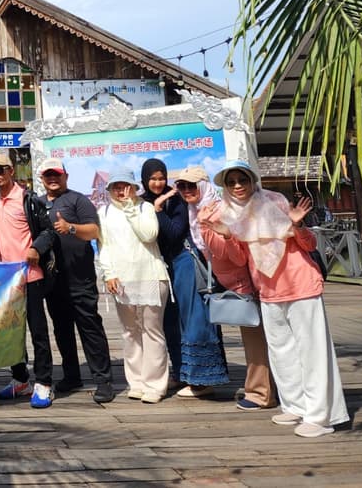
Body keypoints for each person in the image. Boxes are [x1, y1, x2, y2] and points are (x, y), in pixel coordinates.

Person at [204, 161, 348, 438]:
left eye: (242, 179)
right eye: (231, 181)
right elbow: (239, 259)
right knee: (282, 352)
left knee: (312, 352)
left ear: (252, 181)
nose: (237, 186)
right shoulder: (230, 215)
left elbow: (309, 245)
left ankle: (321, 416)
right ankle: (295, 405)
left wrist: (298, 224)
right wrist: (227, 235)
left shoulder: (275, 201)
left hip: (300, 284)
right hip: (268, 290)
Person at [177, 166, 278, 412]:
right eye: (182, 186)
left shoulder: (215, 211)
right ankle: (267, 391)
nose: (237, 186)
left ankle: (262, 393)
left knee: (266, 339)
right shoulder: (200, 211)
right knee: (262, 337)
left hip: (259, 280)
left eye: (193, 185)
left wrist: (215, 232)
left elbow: (230, 254)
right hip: (242, 280)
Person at [0, 154, 60, 407]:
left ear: (11, 170)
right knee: (11, 332)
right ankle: (21, 379)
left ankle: (44, 382)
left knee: (37, 331)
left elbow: (49, 231)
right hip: (4, 279)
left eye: (0, 169)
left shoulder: (28, 199)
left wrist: (36, 248)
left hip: (30, 274)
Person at [142, 158, 228, 397]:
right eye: (183, 186)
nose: (187, 190)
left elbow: (173, 233)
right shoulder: (181, 204)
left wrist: (158, 210)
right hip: (165, 268)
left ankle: (202, 379)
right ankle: (182, 373)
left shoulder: (185, 203)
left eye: (192, 186)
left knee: (195, 319)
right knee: (172, 322)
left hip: (187, 263)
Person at [37, 157, 116, 403]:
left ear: (65, 176)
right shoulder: (36, 203)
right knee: (61, 330)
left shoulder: (78, 200)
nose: (52, 179)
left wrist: (70, 227)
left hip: (80, 278)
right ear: (42, 178)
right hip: (52, 279)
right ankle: (71, 375)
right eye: (48, 175)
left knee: (90, 328)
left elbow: (94, 231)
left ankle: (103, 380)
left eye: (56, 174)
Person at [95, 171, 169, 403]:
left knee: (152, 331)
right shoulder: (103, 212)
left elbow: (149, 235)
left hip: (150, 276)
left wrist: (129, 208)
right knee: (130, 332)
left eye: (126, 186)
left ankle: (155, 385)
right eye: (116, 187)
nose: (121, 191)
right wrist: (109, 274)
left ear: (135, 188)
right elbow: (103, 246)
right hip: (122, 280)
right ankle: (136, 382)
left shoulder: (144, 208)